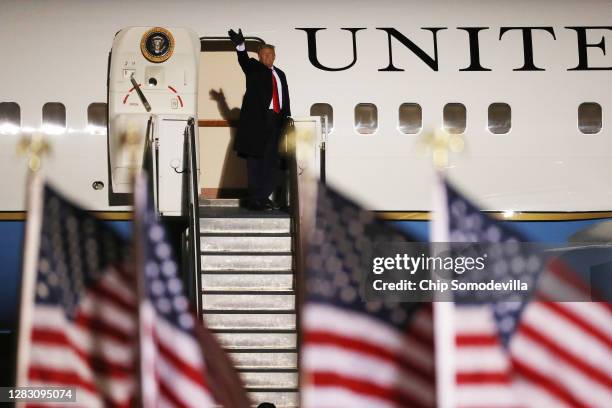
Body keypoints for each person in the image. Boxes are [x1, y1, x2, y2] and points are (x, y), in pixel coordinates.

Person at [228, 28, 291, 211]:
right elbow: (244, 61)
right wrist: (240, 46)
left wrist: (286, 119)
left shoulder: (281, 74)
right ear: (260, 56)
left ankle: (264, 196)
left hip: (277, 122)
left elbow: (285, 97)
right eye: (263, 54)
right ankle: (255, 199)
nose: (266, 57)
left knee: (272, 161)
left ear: (274, 56)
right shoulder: (254, 68)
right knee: (256, 161)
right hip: (258, 124)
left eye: (270, 54)